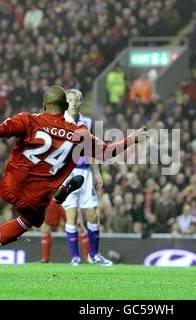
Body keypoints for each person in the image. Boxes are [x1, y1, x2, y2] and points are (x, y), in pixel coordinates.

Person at [0, 85, 147, 273]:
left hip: (9, 186)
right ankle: (61, 191)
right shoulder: (79, 132)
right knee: (35, 218)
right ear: (67, 106)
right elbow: (107, 152)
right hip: (36, 197)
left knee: (31, 219)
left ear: (43, 105)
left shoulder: (28, 120)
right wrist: (132, 139)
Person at [61, 89, 111, 266]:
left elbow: (93, 149)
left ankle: (94, 255)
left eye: (77, 100)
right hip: (67, 175)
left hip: (86, 173)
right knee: (72, 215)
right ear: (65, 102)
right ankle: (75, 256)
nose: (73, 103)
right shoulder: (58, 122)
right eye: (70, 100)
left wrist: (97, 173)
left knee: (92, 214)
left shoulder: (88, 122)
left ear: (81, 102)